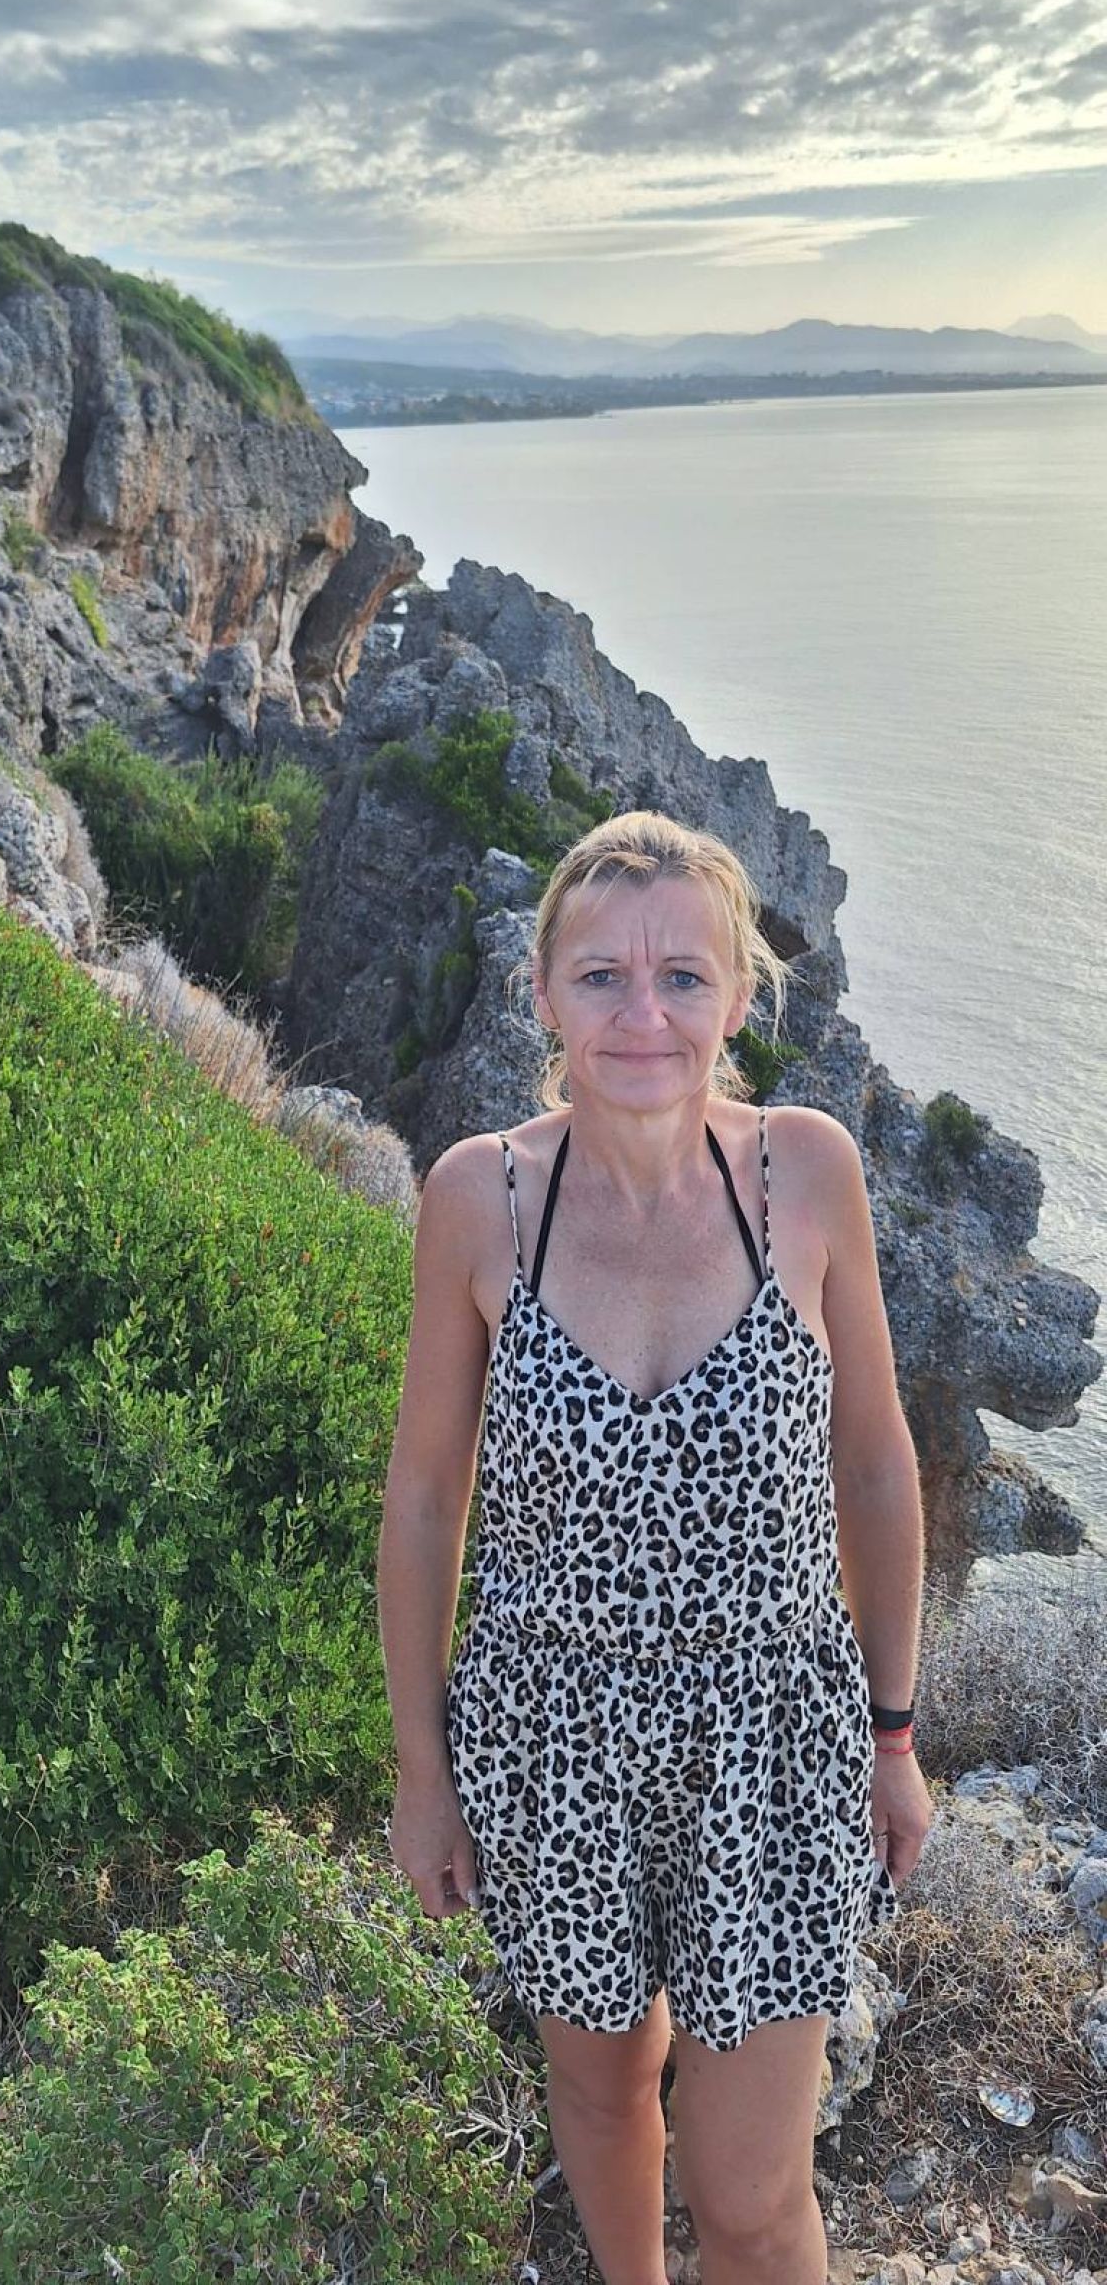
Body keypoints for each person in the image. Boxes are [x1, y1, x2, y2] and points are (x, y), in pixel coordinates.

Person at [377, 811, 931, 2285]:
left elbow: (876, 1463)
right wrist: (424, 1774)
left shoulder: (805, 1175)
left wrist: (893, 1736)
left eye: (683, 976)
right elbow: (425, 1499)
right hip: (551, 1734)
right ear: (542, 994)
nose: (644, 1014)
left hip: (771, 1739)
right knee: (607, 2087)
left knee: (752, 2197)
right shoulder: (477, 1198)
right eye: (602, 976)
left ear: (737, 999)